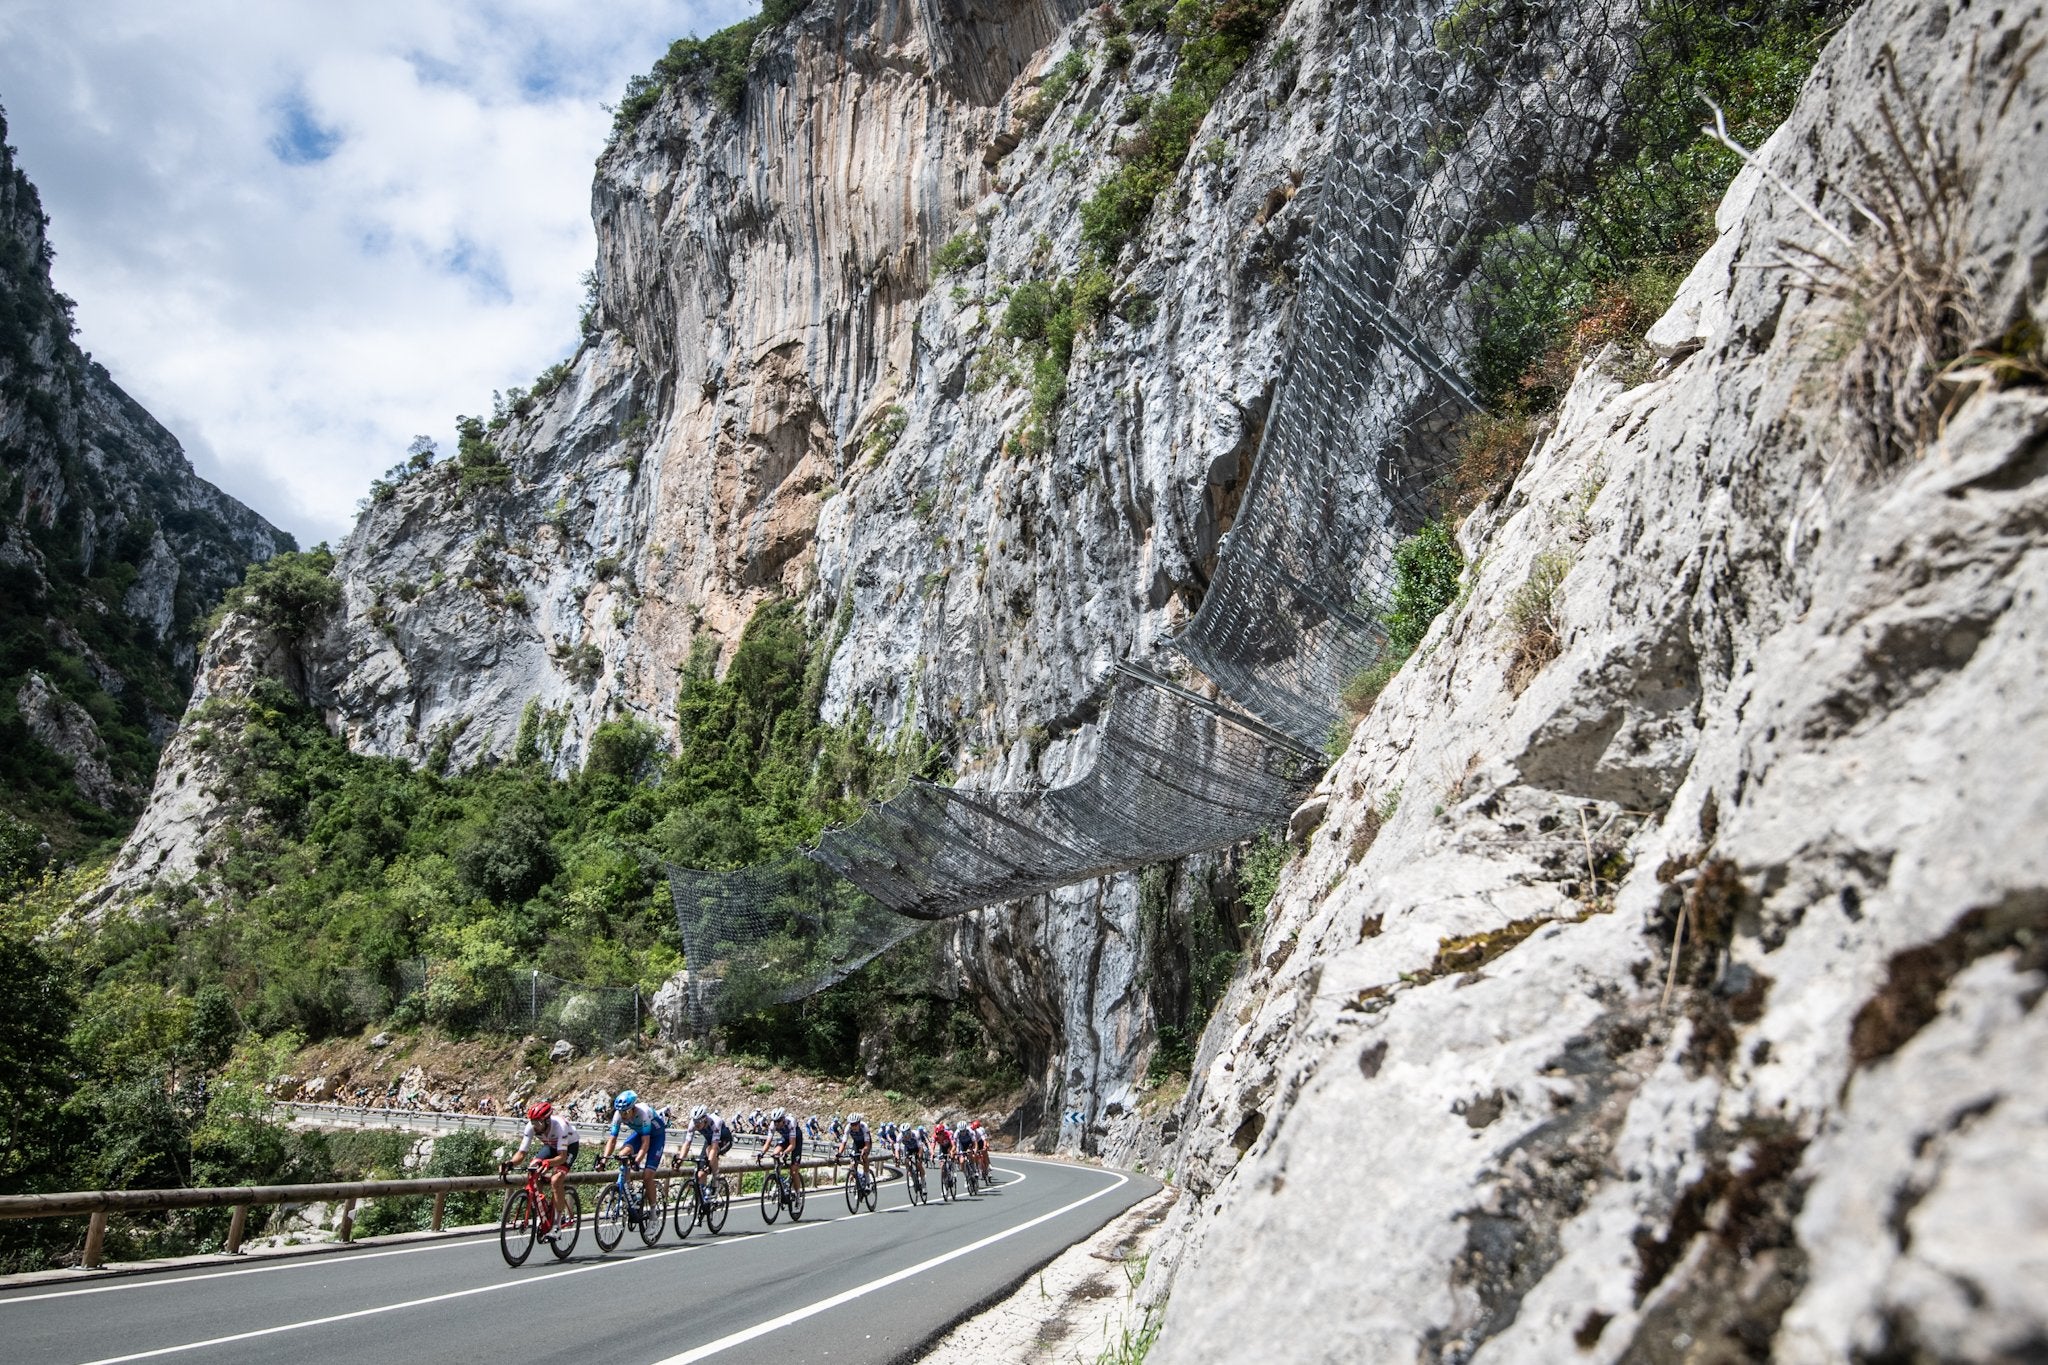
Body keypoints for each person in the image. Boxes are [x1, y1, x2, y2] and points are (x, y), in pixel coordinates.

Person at [499, 1101, 578, 1227]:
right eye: (532, 1122)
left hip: (569, 1147)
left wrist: (548, 1162)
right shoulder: (531, 1127)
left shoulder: (560, 1126)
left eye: (538, 1122)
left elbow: (562, 1157)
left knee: (556, 1180)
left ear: (547, 1120)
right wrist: (510, 1163)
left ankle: (557, 1223)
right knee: (533, 1168)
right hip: (551, 1146)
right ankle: (544, 1209)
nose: (534, 1126)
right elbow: (521, 1153)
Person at [599, 1090, 666, 1220]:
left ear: (632, 1108)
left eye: (625, 1112)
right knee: (622, 1154)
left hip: (656, 1137)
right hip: (640, 1134)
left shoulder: (643, 1113)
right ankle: (630, 1191)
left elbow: (646, 1143)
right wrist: (604, 1160)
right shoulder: (618, 1115)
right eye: (620, 1112)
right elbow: (612, 1140)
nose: (623, 1116)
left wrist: (637, 1160)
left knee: (647, 1176)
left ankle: (653, 1213)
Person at [684, 1105, 735, 1199]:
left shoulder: (715, 1122)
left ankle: (716, 1179)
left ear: (705, 1119)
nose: (696, 1124)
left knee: (710, 1153)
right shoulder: (693, 1124)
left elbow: (714, 1147)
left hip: (724, 1141)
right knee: (700, 1173)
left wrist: (708, 1164)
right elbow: (687, 1144)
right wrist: (680, 1159)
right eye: (694, 1121)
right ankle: (703, 1199)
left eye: (699, 1121)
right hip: (709, 1142)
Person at [762, 1106, 805, 1197]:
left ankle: (798, 1194)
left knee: (793, 1170)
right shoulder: (773, 1125)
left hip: (796, 1140)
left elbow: (792, 1145)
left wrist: (785, 1153)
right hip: (786, 1138)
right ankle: (778, 1180)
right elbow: (767, 1143)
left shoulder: (790, 1123)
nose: (776, 1124)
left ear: (783, 1119)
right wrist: (761, 1153)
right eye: (774, 1121)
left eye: (778, 1121)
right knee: (775, 1153)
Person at [838, 1111, 873, 1190]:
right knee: (852, 1162)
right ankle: (856, 1177)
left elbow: (867, 1144)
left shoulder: (864, 1126)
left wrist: (864, 1150)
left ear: (859, 1122)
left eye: (855, 1124)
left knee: (864, 1157)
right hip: (856, 1144)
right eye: (852, 1124)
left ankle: (868, 1181)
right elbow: (843, 1143)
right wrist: (839, 1153)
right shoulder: (848, 1128)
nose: (853, 1126)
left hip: (866, 1143)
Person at [898, 1120, 927, 1190]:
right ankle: (910, 1177)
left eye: (907, 1133)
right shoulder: (899, 1137)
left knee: (919, 1164)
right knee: (907, 1161)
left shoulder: (916, 1134)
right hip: (908, 1148)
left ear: (910, 1131)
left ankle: (923, 1183)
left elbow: (920, 1147)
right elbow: (897, 1149)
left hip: (917, 1148)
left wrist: (919, 1156)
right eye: (904, 1133)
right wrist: (897, 1157)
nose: (906, 1135)